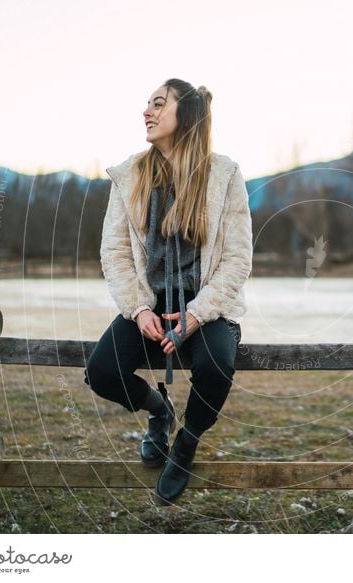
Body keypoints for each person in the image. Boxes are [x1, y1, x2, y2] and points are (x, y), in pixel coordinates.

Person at [83, 78, 253, 505]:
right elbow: (115, 252)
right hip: (150, 306)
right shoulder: (130, 177)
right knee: (102, 371)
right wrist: (139, 310)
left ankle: (185, 444)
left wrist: (197, 314)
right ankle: (159, 410)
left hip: (208, 307)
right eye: (147, 104)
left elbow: (237, 258)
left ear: (187, 115)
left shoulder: (224, 175)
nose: (147, 111)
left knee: (216, 366)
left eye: (159, 104)